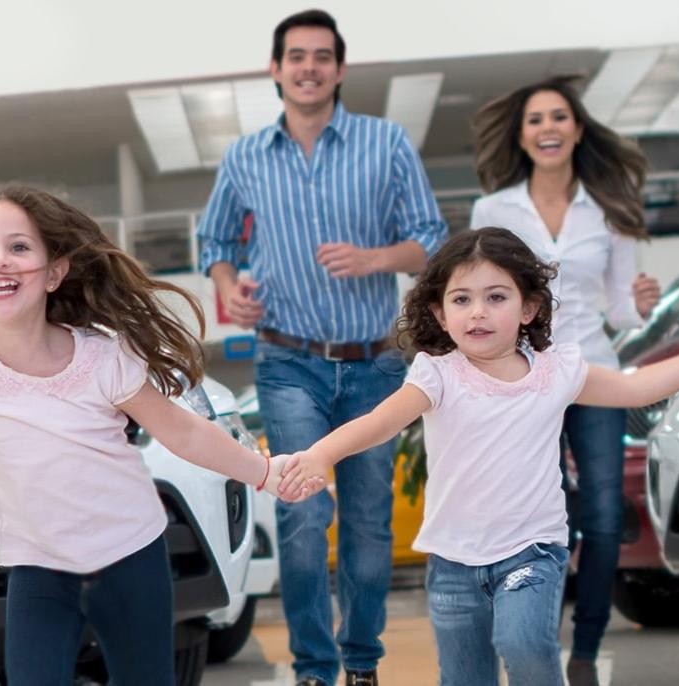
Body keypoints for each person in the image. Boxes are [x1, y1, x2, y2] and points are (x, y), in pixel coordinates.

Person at [277, 228, 679, 686]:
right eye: (461, 300)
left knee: (522, 639)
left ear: (528, 308)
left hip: (532, 549)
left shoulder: (557, 371)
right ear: (441, 314)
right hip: (453, 561)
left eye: (496, 298)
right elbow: (380, 422)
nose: (478, 313)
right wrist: (322, 454)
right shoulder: (437, 375)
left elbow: (636, 389)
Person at [0, 186, 298, 685]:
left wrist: (265, 473)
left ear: (55, 272)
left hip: (130, 556)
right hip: (37, 570)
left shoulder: (102, 358)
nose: (0, 262)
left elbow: (182, 431)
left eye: (19, 247)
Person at [196, 9, 448, 685]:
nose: (308, 67)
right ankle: (314, 667)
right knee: (303, 513)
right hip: (286, 362)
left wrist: (374, 258)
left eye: (321, 56)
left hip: (375, 364)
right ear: (276, 69)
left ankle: (360, 662)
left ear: (339, 68)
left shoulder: (385, 142)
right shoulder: (245, 157)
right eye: (296, 56)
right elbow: (214, 243)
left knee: (367, 525)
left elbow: (430, 238)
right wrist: (229, 287)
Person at [469, 74, 662, 686]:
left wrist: (642, 302)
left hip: (594, 369)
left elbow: (623, 312)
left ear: (577, 130)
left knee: (604, 517)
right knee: (540, 514)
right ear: (521, 137)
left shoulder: (610, 207)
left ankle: (586, 647)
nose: (547, 128)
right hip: (524, 377)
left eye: (558, 117)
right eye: (535, 120)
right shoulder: (493, 210)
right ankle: (536, 638)